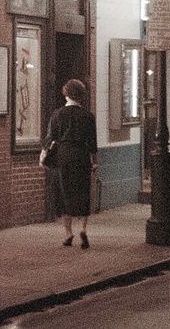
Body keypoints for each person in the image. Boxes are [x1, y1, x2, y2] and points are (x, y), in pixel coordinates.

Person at [40, 78, 97, 249]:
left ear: (66, 94)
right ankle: (83, 229)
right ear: (81, 96)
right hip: (81, 156)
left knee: (64, 195)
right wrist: (94, 163)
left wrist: (44, 155)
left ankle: (68, 233)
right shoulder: (88, 116)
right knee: (82, 194)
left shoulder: (57, 115)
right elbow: (92, 143)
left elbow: (50, 139)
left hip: (63, 158)